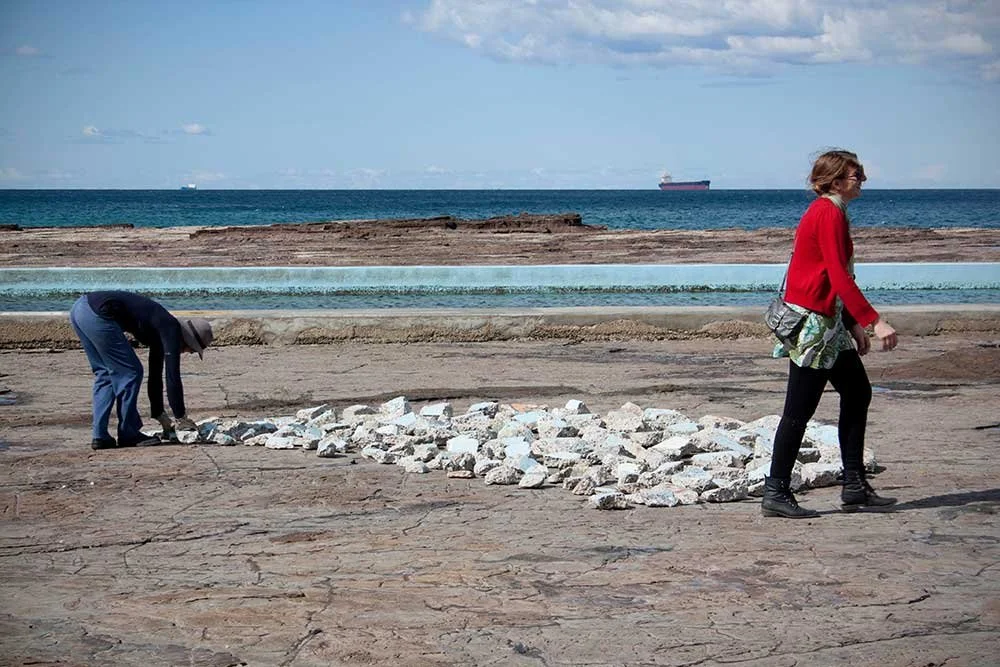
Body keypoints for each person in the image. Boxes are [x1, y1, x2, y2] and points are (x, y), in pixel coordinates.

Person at [762, 149, 899, 518]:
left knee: (858, 393)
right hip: (813, 327)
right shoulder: (827, 212)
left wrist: (852, 322)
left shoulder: (834, 210)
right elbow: (838, 275)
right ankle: (775, 491)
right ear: (836, 180)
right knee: (798, 411)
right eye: (857, 176)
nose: (863, 181)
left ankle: (854, 485)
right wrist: (874, 320)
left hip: (829, 323)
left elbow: (833, 276)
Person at [69, 290, 213, 450]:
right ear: (188, 341)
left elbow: (156, 376)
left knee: (105, 374)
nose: (188, 353)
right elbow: (172, 378)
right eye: (192, 350)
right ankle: (128, 433)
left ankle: (100, 436)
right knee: (131, 372)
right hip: (97, 313)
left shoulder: (160, 329)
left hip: (80, 309)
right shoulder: (171, 328)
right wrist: (181, 418)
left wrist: (160, 414)